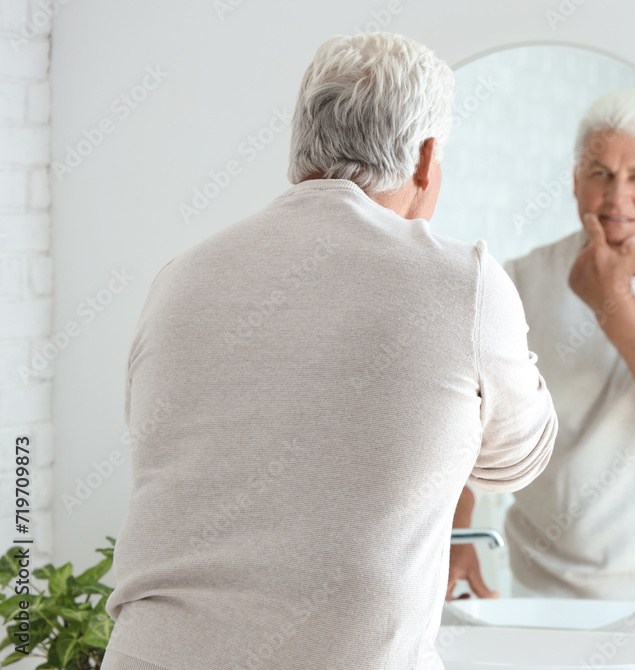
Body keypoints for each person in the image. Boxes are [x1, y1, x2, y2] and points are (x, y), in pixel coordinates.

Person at [103, 32, 557, 670]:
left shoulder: (180, 278)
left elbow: (170, 440)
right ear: (427, 159)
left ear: (302, 145)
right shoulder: (465, 284)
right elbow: (516, 461)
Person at [448, 89, 635, 601]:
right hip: (538, 585)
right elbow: (465, 420)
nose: (617, 197)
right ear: (576, 182)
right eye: (600, 173)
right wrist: (457, 534)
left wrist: (612, 302)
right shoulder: (523, 278)